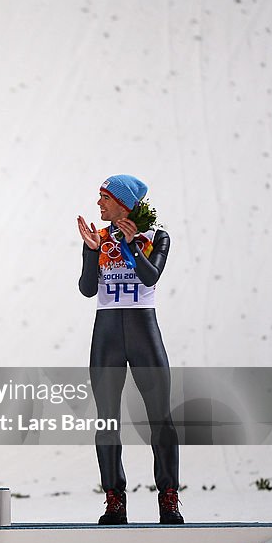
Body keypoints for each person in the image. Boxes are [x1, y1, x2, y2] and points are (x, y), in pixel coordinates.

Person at [77, 175, 183, 524]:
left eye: (104, 198)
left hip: (143, 332)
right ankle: (114, 499)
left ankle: (168, 498)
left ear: (124, 203)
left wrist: (131, 243)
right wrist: (92, 252)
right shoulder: (100, 236)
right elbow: (87, 289)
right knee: (107, 419)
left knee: (160, 418)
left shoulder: (156, 237)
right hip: (107, 334)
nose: (99, 204)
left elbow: (151, 276)